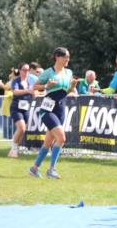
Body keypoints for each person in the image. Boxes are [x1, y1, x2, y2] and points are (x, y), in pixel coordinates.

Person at [28, 47, 80, 180]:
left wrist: (73, 87)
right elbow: (34, 87)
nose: (68, 59)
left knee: (48, 142)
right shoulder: (48, 72)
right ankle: (52, 169)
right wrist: (46, 86)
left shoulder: (69, 72)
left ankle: (34, 169)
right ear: (57, 57)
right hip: (47, 109)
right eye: (66, 57)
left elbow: (66, 92)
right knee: (61, 138)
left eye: (68, 57)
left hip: (60, 109)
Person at [7, 63, 34, 157]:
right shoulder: (16, 81)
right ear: (19, 70)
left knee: (23, 130)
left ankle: (14, 150)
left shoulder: (31, 81)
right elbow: (15, 91)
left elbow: (35, 92)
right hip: (16, 108)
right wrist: (27, 91)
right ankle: (14, 148)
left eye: (27, 70)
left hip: (26, 108)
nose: (26, 72)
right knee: (21, 128)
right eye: (24, 70)